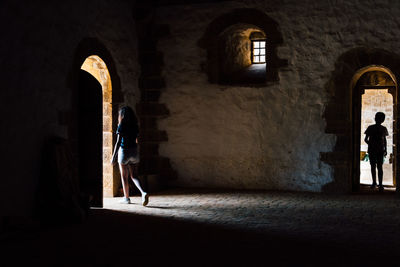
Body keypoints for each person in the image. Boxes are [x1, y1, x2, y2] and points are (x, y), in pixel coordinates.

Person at [111, 106, 149, 205]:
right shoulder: (135, 125)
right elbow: (137, 140)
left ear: (122, 115)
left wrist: (113, 157)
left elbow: (118, 142)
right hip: (134, 151)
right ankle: (143, 192)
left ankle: (126, 198)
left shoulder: (121, 125)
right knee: (134, 175)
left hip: (124, 152)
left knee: (124, 176)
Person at [364, 112, 389, 192]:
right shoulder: (383, 129)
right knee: (379, 167)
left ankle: (375, 183)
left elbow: (366, 139)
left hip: (374, 150)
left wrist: (371, 144)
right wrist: (385, 149)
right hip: (379, 150)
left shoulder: (370, 128)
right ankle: (379, 184)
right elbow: (384, 140)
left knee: (374, 166)